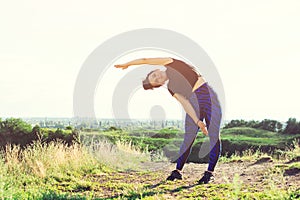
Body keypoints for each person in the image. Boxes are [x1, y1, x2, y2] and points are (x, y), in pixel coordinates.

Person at [115, 57, 222, 184]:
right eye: (155, 81)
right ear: (159, 85)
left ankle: (209, 173)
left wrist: (128, 63)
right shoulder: (171, 87)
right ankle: (177, 171)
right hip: (194, 103)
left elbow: (145, 60)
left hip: (208, 97)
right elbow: (186, 104)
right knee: (188, 138)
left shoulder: (172, 64)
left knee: (214, 135)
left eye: (154, 75)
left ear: (156, 69)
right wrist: (197, 121)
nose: (157, 78)